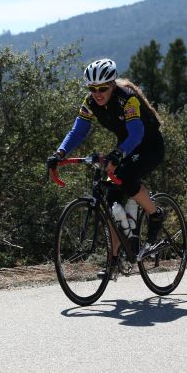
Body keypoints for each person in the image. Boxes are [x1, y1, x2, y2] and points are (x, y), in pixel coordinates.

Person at [47, 58, 166, 273]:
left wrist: (118, 154)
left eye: (102, 88)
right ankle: (112, 261)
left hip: (149, 146)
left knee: (128, 179)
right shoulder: (90, 102)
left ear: (112, 84)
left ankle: (155, 214)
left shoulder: (127, 99)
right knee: (111, 201)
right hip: (128, 148)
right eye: (92, 88)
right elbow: (78, 131)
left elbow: (137, 133)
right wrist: (60, 153)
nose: (97, 93)